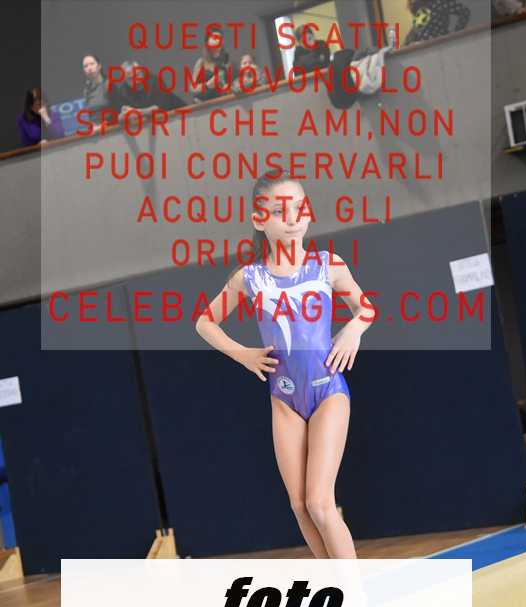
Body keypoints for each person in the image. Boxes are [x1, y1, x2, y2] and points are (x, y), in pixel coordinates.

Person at [196, 170, 374, 559]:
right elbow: (204, 322)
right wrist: (244, 354)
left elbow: (366, 308)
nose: (292, 218)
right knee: (299, 506)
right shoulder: (250, 278)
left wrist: (352, 331)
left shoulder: (328, 265)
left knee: (320, 503)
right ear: (259, 220)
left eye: (299, 208)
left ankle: (356, 591)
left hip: (328, 392)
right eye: (279, 211)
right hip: (284, 400)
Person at [113, 60, 186, 113]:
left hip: (180, 113)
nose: (136, 81)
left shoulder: (155, 81)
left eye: (137, 75)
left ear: (142, 72)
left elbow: (159, 108)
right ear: (124, 80)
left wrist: (137, 112)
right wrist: (124, 114)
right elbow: (121, 116)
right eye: (130, 78)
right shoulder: (122, 91)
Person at [191, 29, 233, 103]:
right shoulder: (201, 62)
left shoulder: (226, 62)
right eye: (214, 38)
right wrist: (207, 85)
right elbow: (193, 88)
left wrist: (228, 88)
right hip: (204, 104)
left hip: (222, 103)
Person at [404, 0, 471, 45]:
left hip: (439, 46)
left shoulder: (440, 2)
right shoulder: (420, 7)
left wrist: (456, 34)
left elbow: (464, 11)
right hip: (423, 51)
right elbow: (417, 30)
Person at [82, 53, 116, 119]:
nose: (89, 68)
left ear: (99, 66)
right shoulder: (86, 91)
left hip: (111, 124)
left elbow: (118, 110)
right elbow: (90, 115)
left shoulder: (109, 84)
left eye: (92, 64)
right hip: (95, 124)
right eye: (86, 66)